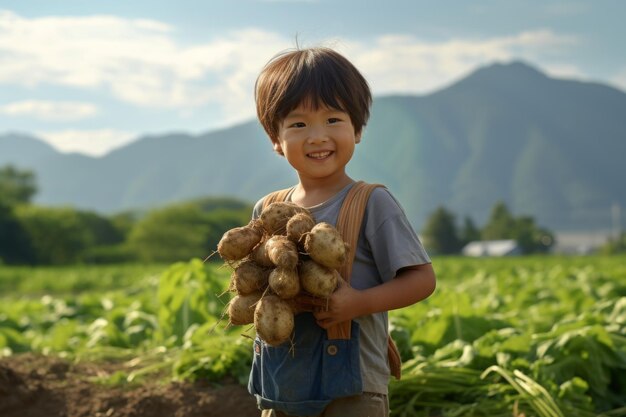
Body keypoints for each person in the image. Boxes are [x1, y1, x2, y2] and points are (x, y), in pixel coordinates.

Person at [248, 46, 436, 417]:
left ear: (358, 129)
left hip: (353, 393)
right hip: (280, 384)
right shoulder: (267, 210)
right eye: (299, 124)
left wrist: (359, 304)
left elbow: (422, 280)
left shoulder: (372, 202)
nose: (317, 136)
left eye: (333, 119)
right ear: (276, 139)